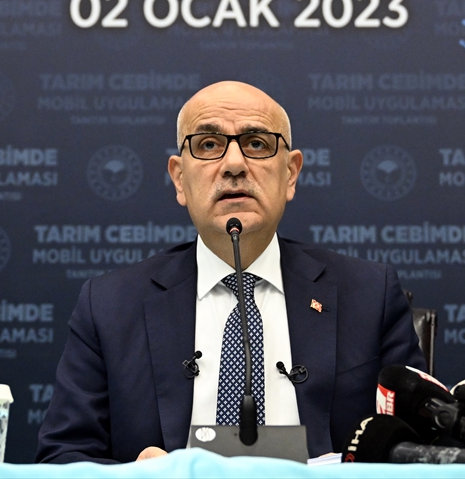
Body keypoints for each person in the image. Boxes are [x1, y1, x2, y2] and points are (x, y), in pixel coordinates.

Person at [35, 81, 425, 463]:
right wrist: (138, 478)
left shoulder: (369, 296)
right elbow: (63, 456)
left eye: (256, 144)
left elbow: (421, 452)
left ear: (290, 174)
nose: (235, 165)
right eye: (208, 145)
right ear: (179, 178)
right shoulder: (109, 306)